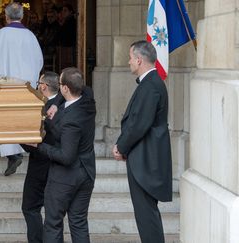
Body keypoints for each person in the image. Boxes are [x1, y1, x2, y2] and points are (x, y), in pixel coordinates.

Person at [112, 40, 172, 243]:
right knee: (145, 215)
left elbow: (139, 124)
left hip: (146, 161)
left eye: (130, 57)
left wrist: (121, 146)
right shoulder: (150, 83)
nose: (128, 61)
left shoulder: (151, 85)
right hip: (143, 158)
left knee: (147, 216)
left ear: (139, 60)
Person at [30, 67, 96, 243]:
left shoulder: (70, 120)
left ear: (65, 88)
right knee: (78, 222)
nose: (59, 88)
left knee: (53, 223)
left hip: (65, 177)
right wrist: (55, 104)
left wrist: (39, 145)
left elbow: (66, 156)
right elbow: (81, 88)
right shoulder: (88, 102)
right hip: (87, 173)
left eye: (60, 85)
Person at [0, 2, 44, 176]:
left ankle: (13, 154)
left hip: (5, 83)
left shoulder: (0, 35)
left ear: (6, 16)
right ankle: (27, 146)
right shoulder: (31, 36)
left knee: (5, 115)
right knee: (23, 115)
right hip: (26, 85)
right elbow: (39, 61)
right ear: (22, 17)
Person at [20, 72, 60, 243]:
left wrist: (17, 137)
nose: (37, 86)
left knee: (30, 207)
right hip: (59, 163)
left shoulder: (41, 108)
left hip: (40, 164)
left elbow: (31, 143)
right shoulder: (65, 104)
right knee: (54, 211)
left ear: (43, 86)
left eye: (39, 83)